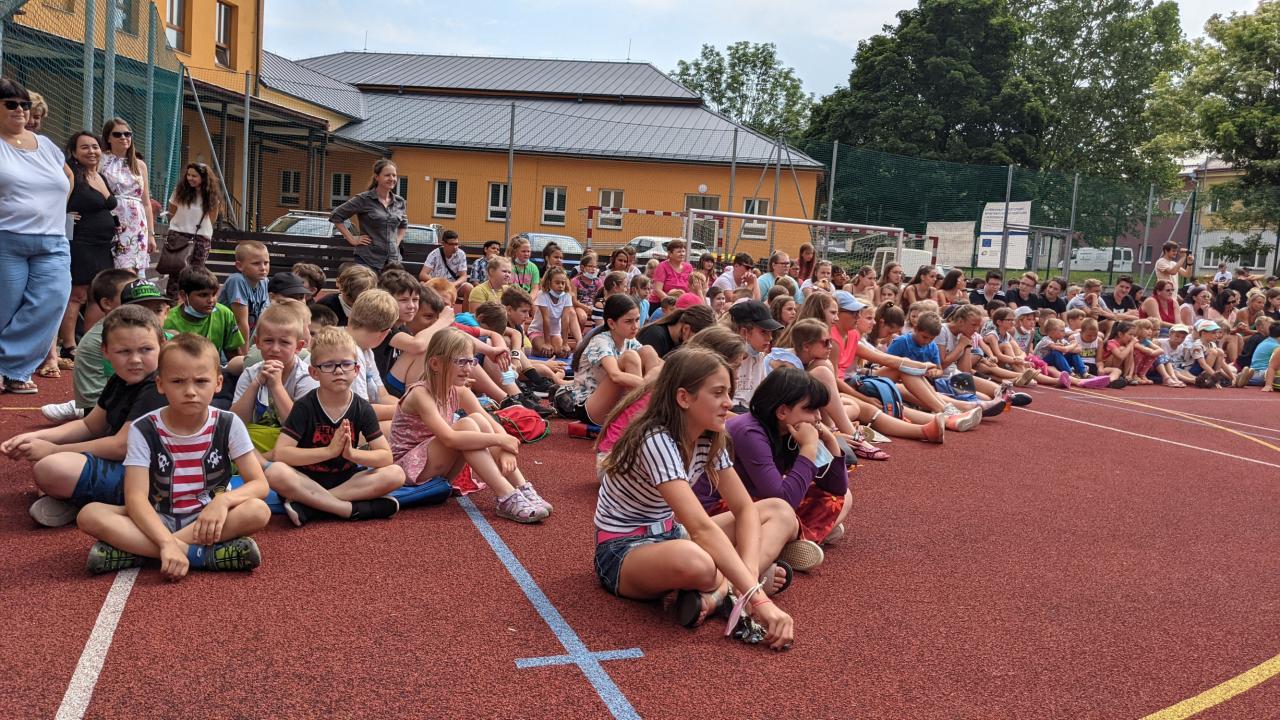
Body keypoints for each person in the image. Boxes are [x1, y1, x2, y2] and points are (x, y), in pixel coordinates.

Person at [595, 348, 795, 649]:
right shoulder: (655, 439)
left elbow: (744, 508)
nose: (729, 403)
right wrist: (759, 598)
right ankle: (726, 586)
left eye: (728, 392)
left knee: (780, 511)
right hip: (622, 550)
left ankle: (722, 592)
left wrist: (751, 583)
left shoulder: (709, 436)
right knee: (696, 561)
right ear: (684, 398)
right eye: (718, 393)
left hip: (671, 534)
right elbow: (700, 528)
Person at [75, 333, 269, 577]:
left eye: (201, 381)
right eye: (177, 381)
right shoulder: (144, 428)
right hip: (158, 516)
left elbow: (259, 484)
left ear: (218, 383)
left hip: (209, 517)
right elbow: (135, 498)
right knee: (90, 514)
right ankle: (198, 555)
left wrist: (223, 502)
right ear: (160, 384)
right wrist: (166, 542)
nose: (190, 391)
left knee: (258, 510)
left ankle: (138, 551)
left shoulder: (228, 423)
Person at [3, 306, 167, 526]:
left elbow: (122, 446)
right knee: (40, 456)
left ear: (162, 346)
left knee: (49, 466)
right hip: (129, 467)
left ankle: (90, 500)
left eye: (146, 349)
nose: (135, 359)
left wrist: (53, 449)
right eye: (124, 351)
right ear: (105, 351)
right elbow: (90, 425)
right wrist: (37, 437)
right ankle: (74, 497)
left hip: (151, 479)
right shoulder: (120, 379)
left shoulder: (156, 387)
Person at [390, 328, 552, 522]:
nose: (467, 368)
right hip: (408, 470)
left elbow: (492, 424)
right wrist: (500, 440)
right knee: (466, 425)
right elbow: (449, 439)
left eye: (471, 361)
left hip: (437, 468)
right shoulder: (420, 394)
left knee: (478, 419)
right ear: (435, 364)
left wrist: (506, 449)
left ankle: (522, 487)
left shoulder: (459, 391)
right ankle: (506, 495)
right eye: (460, 362)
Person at [267, 327, 406, 525]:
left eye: (346, 364)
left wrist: (352, 454)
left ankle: (311, 506)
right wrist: (329, 451)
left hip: (347, 481)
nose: (338, 370)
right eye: (328, 365)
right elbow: (281, 454)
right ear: (314, 372)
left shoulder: (362, 408)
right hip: (305, 479)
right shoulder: (304, 406)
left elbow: (385, 457)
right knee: (275, 472)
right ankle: (348, 509)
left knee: (396, 474)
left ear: (356, 370)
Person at [725, 368, 852, 554]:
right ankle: (794, 540)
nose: (818, 417)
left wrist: (830, 441)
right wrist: (808, 447)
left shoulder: (789, 430)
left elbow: (836, 488)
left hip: (760, 504)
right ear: (782, 411)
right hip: (721, 510)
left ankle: (792, 539)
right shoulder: (749, 432)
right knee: (784, 517)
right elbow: (782, 500)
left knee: (844, 497)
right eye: (810, 409)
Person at [0, 78, 73, 394]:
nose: (20, 110)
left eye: (24, 104)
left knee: (51, 302)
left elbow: (67, 176)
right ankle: (13, 372)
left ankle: (12, 366)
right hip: (7, 238)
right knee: (5, 307)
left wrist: (52, 209)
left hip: (53, 241)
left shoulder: (46, 145)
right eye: (11, 104)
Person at [56, 131, 118, 372]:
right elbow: (55, 199)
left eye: (95, 146)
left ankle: (88, 342)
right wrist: (64, 215)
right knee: (77, 295)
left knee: (97, 294)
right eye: (85, 147)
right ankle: (68, 345)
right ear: (74, 152)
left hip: (103, 245)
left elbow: (109, 205)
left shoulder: (100, 175)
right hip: (81, 243)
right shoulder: (71, 174)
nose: (91, 151)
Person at [41, 269, 137, 423]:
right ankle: (78, 407)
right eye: (127, 295)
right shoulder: (94, 344)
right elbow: (96, 417)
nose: (137, 300)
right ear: (107, 303)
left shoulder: (150, 328)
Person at [231, 303, 317, 453]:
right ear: (258, 342)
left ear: (298, 347)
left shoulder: (306, 377)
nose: (275, 349)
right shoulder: (251, 374)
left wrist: (277, 386)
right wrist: (256, 384)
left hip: (292, 447)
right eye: (268, 341)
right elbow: (235, 421)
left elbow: (301, 429)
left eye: (284, 342)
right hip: (255, 443)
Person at [555, 294, 653, 425]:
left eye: (637, 320)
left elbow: (657, 363)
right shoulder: (600, 341)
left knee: (648, 351)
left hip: (609, 400)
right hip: (589, 407)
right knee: (630, 357)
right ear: (611, 323)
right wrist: (651, 387)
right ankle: (639, 418)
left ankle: (645, 413)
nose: (635, 326)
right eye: (629, 321)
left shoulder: (629, 340)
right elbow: (615, 376)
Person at [329, 159, 408, 272]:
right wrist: (352, 239)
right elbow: (336, 216)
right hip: (368, 259)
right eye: (387, 175)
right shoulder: (364, 199)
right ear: (376, 177)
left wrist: (396, 242)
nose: (392, 178)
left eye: (394, 175)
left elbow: (403, 224)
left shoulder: (400, 202)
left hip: (393, 261)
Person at [100, 117, 155, 276]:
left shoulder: (139, 165)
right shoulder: (101, 160)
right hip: (114, 218)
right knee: (119, 271)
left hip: (137, 223)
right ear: (108, 138)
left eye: (127, 134)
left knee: (134, 271)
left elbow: (146, 202)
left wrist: (151, 235)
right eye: (117, 134)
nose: (123, 137)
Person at [162, 162, 222, 299]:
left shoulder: (211, 196)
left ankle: (191, 302)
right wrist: (179, 226)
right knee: (176, 272)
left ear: (203, 177)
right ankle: (172, 302)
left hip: (201, 236)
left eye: (194, 176)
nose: (190, 178)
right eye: (188, 175)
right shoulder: (180, 191)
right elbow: (172, 211)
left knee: (196, 273)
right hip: (178, 234)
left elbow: (212, 218)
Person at [164, 266, 246, 364]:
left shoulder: (224, 314)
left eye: (214, 294)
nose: (211, 300)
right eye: (203, 295)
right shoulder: (168, 320)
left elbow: (233, 354)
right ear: (183, 295)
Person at [218, 240, 271, 344]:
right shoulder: (237, 281)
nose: (263, 268)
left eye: (266, 263)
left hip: (245, 336)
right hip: (225, 339)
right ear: (239, 266)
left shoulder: (264, 281)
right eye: (256, 263)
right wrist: (245, 352)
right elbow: (241, 322)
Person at [530, 267, 580, 358]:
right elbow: (546, 319)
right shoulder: (542, 294)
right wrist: (547, 343)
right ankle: (534, 349)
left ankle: (551, 346)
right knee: (547, 353)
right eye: (557, 283)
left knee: (561, 353)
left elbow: (565, 320)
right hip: (538, 331)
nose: (561, 286)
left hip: (554, 333)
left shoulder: (567, 296)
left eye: (563, 283)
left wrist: (565, 343)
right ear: (549, 283)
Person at [636, 304, 716, 361]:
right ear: (686, 329)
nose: (699, 345)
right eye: (698, 339)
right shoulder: (654, 336)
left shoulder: (678, 343)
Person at [420, 229, 472, 300]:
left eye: (456, 244)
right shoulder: (434, 254)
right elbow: (423, 274)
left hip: (453, 286)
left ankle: (465, 308)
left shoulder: (461, 254)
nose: (455, 247)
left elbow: (463, 276)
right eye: (451, 244)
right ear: (443, 243)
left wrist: (453, 284)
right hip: (437, 286)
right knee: (422, 285)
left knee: (468, 287)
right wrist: (439, 283)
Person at [651, 239, 693, 303]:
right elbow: (657, 290)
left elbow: (692, 289)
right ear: (670, 253)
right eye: (679, 252)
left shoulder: (689, 267)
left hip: (683, 302)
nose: (682, 254)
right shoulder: (662, 266)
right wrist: (672, 303)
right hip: (662, 302)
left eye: (683, 251)